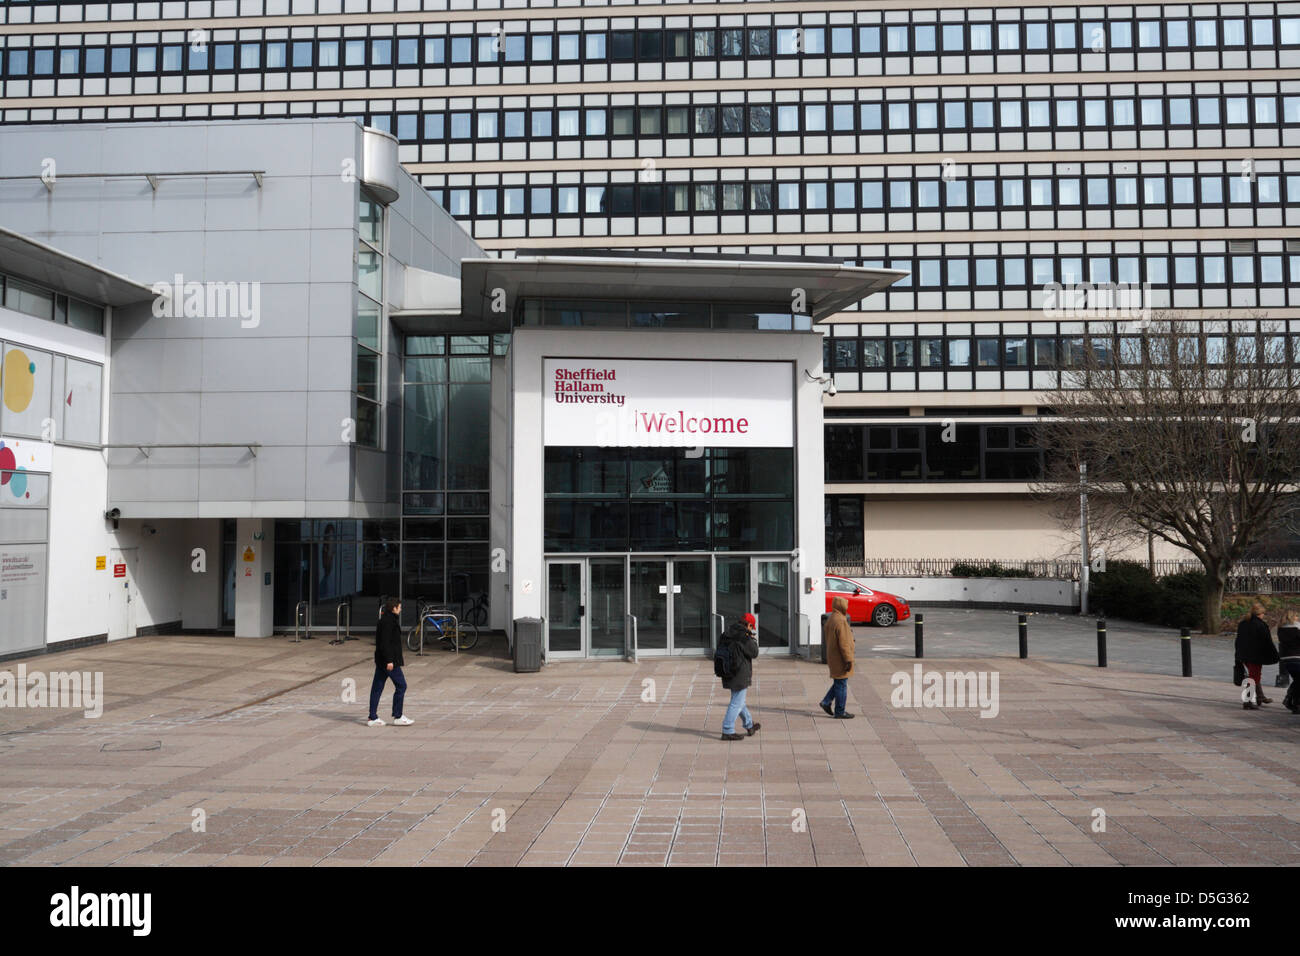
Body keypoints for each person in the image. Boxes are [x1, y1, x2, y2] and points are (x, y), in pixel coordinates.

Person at [369, 598, 413, 726]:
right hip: (389, 661)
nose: (401, 609)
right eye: (399, 607)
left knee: (377, 688)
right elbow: (385, 643)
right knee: (401, 686)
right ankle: (398, 715)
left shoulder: (387, 620)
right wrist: (390, 660)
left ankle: (372, 717)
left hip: (382, 660)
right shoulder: (388, 622)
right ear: (394, 608)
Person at [718, 613, 760, 741]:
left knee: (739, 700)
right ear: (748, 625)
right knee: (737, 702)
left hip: (728, 671)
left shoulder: (728, 632)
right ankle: (727, 730)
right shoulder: (743, 637)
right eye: (751, 626)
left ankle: (749, 725)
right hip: (739, 673)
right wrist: (751, 639)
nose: (751, 629)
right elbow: (754, 652)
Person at [1235, 602, 1279, 710]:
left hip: (1244, 654)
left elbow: (1238, 640)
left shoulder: (1243, 623)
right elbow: (1267, 642)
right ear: (1261, 613)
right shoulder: (1260, 625)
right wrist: (1275, 655)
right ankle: (1248, 701)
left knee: (1254, 675)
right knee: (1253, 677)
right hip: (1255, 655)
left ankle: (1260, 697)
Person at [820, 596, 856, 719]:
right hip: (840, 658)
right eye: (846, 604)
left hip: (833, 656)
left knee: (839, 682)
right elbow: (844, 643)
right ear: (842, 606)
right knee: (841, 684)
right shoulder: (841, 620)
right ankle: (840, 711)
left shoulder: (832, 619)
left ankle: (826, 701)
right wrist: (848, 659)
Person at [1277, 610, 1300, 714]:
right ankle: (1290, 701)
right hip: (1297, 658)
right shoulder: (1297, 629)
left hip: (1285, 660)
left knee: (1298, 681)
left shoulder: (1280, 630)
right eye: (1296, 616)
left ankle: (1294, 704)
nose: (1298, 618)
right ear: (1292, 618)